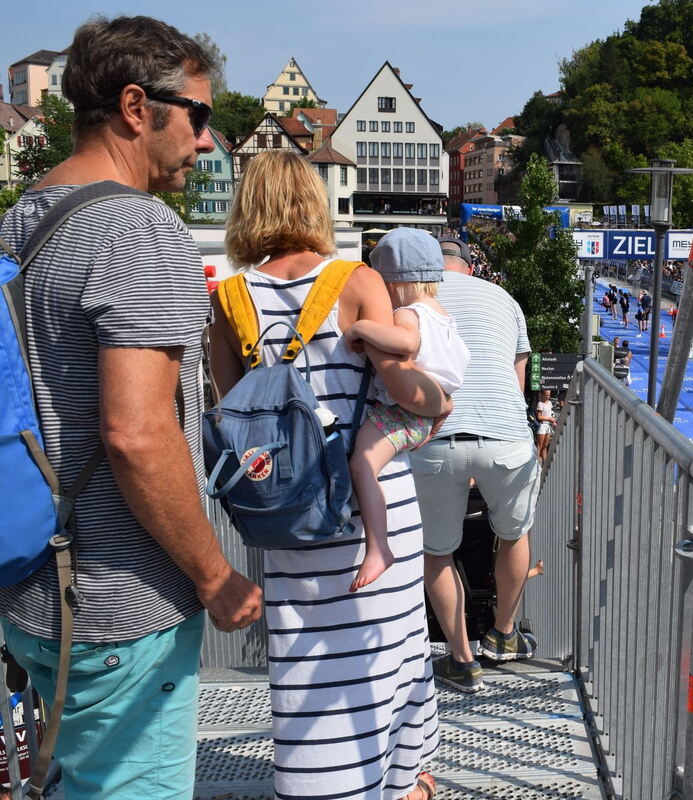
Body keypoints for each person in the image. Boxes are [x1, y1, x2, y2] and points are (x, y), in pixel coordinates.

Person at [0, 18, 264, 800]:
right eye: (198, 114)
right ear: (136, 107)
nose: (206, 140)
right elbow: (138, 435)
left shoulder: (22, 218)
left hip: (31, 589)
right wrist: (215, 577)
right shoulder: (138, 229)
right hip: (121, 606)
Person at [210, 151, 446, 800]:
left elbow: (232, 414)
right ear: (313, 204)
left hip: (289, 515)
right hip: (373, 510)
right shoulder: (356, 281)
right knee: (389, 653)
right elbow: (407, 391)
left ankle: (322, 782)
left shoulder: (229, 299)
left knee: (308, 658)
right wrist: (443, 398)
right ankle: (400, 782)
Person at [412, 236, 541, 694]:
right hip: (506, 436)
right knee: (513, 534)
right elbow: (518, 382)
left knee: (438, 550)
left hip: (436, 436)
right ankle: (503, 634)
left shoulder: (413, 297)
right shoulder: (504, 299)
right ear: (469, 267)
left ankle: (462, 661)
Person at [345, 228, 471, 593]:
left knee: (361, 466)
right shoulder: (444, 316)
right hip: (429, 414)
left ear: (394, 283)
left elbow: (406, 342)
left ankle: (378, 547)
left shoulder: (408, 313)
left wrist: (360, 328)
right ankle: (379, 547)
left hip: (402, 414)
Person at [535, 389, 557, 462]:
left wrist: (553, 421)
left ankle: (544, 464)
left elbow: (551, 414)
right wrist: (550, 419)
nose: (548, 396)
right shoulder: (540, 404)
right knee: (539, 446)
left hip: (548, 426)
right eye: (546, 395)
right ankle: (535, 463)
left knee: (545, 446)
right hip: (542, 425)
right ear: (542, 395)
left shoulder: (550, 402)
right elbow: (539, 417)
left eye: (549, 395)